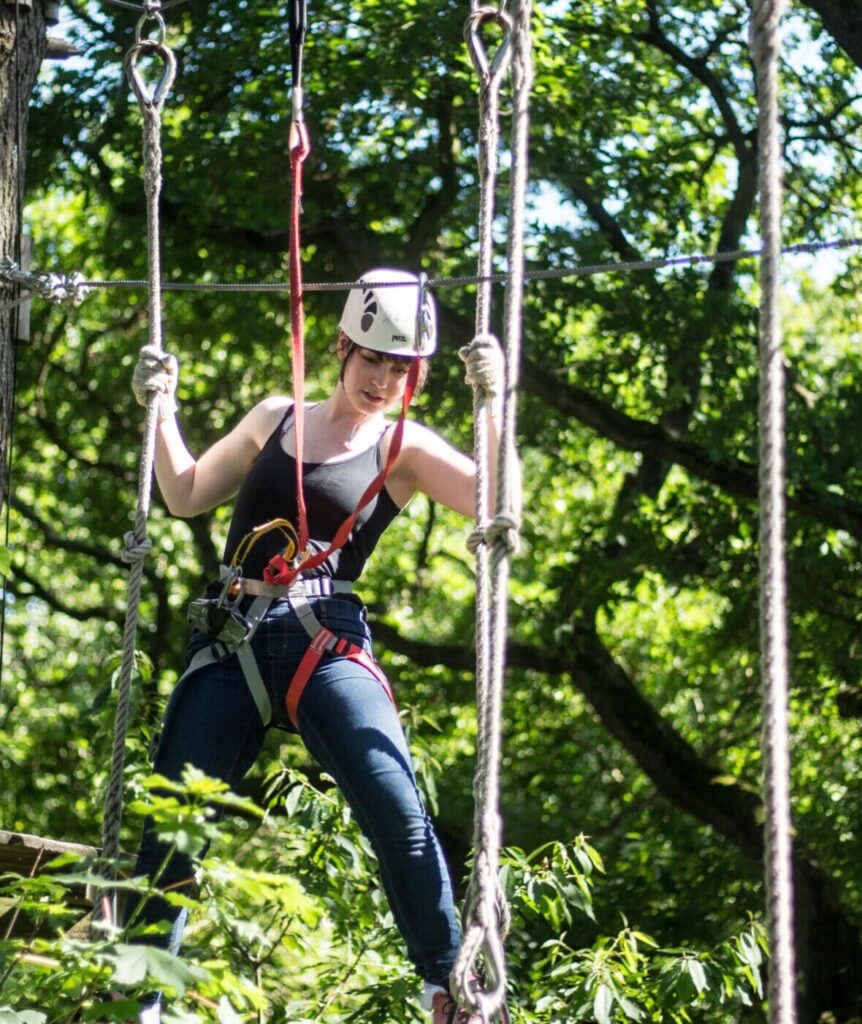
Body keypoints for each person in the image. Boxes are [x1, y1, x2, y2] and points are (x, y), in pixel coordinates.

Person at [125, 269, 508, 1024]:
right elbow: (185, 494)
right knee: (170, 823)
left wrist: (495, 405)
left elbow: (499, 502)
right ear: (342, 346)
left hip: (324, 645)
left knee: (397, 808)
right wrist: (160, 407)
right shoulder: (276, 417)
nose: (384, 380)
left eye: (401, 369)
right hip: (232, 641)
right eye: (373, 360)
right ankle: (143, 995)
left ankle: (448, 987)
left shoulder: (404, 448)